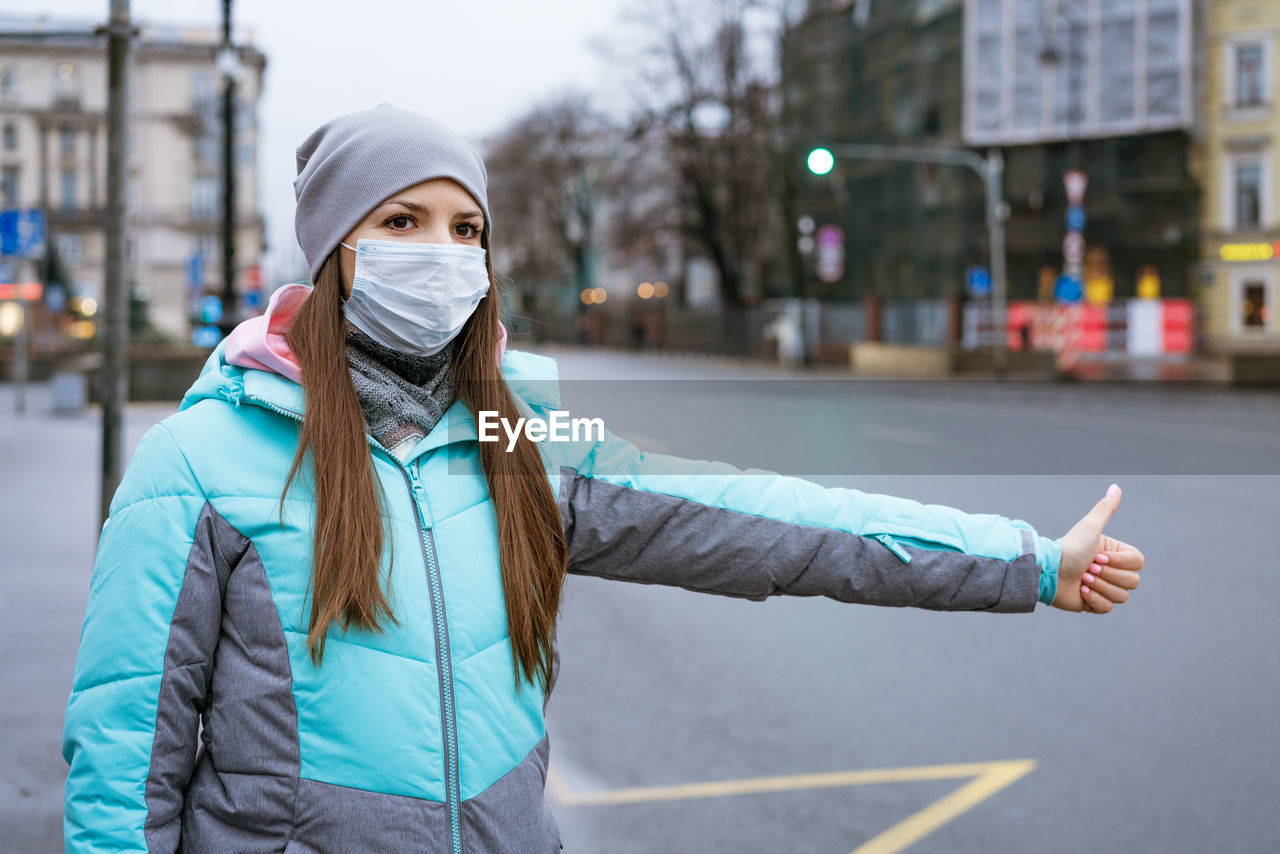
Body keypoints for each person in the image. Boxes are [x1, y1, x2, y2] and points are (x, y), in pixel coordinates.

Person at [61, 104, 1144, 854]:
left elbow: (768, 520)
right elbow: (121, 768)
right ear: (333, 245)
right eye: (401, 221)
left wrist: (1028, 561)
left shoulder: (519, 436)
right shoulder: (198, 461)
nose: (440, 251)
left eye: (465, 228)